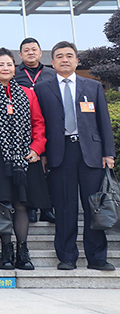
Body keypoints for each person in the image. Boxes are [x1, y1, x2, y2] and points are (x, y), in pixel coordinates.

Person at [34, 41, 116, 271]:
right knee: (64, 207)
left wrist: (108, 153)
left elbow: (103, 122)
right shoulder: (42, 88)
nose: (65, 60)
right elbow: (39, 124)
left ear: (77, 61)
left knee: (94, 207)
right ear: (52, 62)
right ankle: (67, 256)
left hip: (91, 153)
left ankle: (97, 257)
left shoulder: (93, 87)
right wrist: (43, 154)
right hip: (60, 153)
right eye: (59, 56)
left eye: (69, 56)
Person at [0, 48, 49, 270]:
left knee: (21, 204)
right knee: (4, 204)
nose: (5, 68)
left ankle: (23, 250)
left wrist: (37, 149)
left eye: (9, 64)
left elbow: (38, 123)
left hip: (25, 155)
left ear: (14, 67)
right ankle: (6, 251)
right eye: (0, 64)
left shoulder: (28, 93)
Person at [15, 37, 57, 224]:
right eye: (26, 50)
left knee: (50, 169)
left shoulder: (51, 73)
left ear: (41, 53)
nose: (30, 53)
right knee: (31, 168)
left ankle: (48, 208)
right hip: (26, 128)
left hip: (51, 126)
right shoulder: (15, 74)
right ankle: (31, 207)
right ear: (20, 54)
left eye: (34, 49)